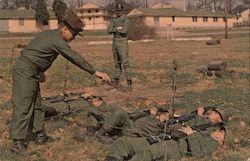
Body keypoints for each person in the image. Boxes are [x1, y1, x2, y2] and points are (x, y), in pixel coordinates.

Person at [9, 13, 110, 154]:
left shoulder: (50, 35)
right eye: (73, 34)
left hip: (31, 71)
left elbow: (36, 51)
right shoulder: (57, 40)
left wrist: (39, 70)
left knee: (37, 105)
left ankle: (41, 136)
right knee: (23, 105)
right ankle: (17, 144)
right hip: (25, 71)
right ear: (64, 29)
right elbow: (74, 57)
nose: (73, 38)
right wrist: (95, 72)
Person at [103, 126, 233, 161]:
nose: (218, 131)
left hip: (174, 148)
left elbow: (198, 154)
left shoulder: (213, 145)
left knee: (149, 153)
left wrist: (191, 135)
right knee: (124, 141)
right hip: (166, 138)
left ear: (222, 141)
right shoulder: (206, 134)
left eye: (221, 132)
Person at [108, 2, 132, 89]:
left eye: (120, 10)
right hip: (115, 42)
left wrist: (115, 30)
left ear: (123, 10)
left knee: (125, 63)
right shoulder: (113, 20)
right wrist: (117, 29)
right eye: (117, 10)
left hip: (122, 42)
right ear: (115, 10)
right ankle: (116, 82)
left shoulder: (126, 19)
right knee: (117, 63)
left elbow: (124, 31)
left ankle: (129, 83)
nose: (119, 12)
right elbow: (109, 30)